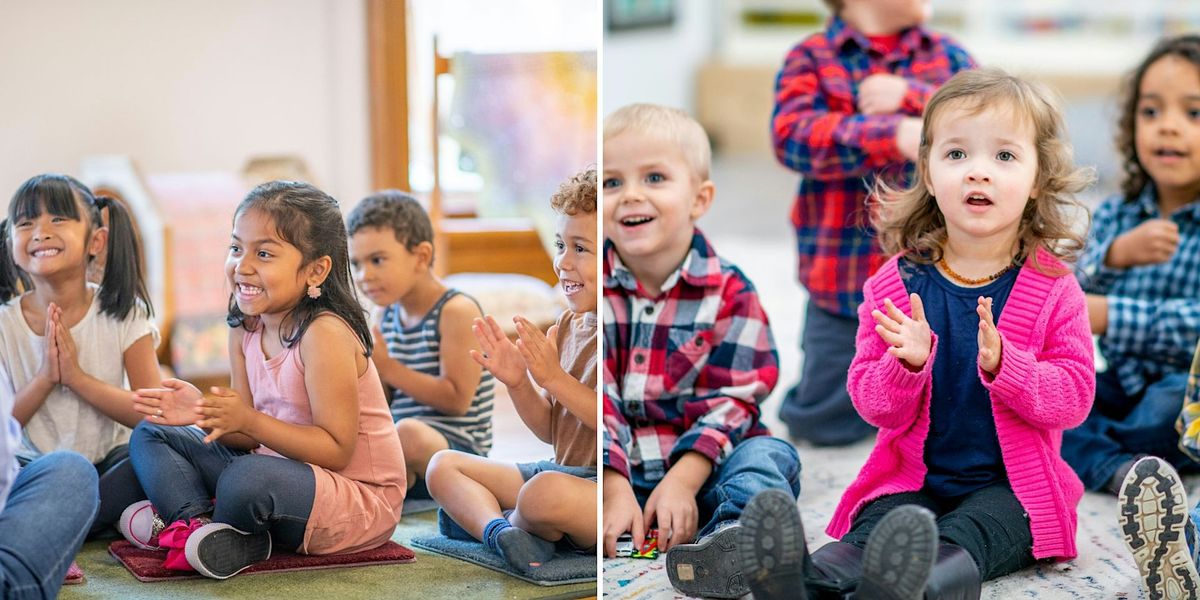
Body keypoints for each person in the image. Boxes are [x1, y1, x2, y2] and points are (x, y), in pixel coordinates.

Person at [743, 69, 1096, 599]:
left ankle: (917, 587)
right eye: (957, 155)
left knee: (973, 530)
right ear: (928, 172)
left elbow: (1073, 399)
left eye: (1004, 156)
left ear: (1038, 179)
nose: (978, 172)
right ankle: (806, 581)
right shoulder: (893, 282)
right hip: (917, 476)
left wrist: (1009, 367)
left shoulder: (1053, 288)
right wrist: (903, 366)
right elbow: (873, 407)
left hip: (1013, 488)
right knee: (882, 524)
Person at [117, 181, 406, 579]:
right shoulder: (246, 326)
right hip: (278, 471)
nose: (243, 265)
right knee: (151, 431)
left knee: (245, 478)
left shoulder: (325, 334)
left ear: (316, 269)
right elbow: (246, 437)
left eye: (264, 253)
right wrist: (202, 412)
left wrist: (246, 420)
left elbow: (336, 450)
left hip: (355, 497)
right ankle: (197, 528)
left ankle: (199, 522)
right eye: (236, 248)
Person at [601, 103, 801, 599]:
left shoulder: (731, 291)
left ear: (699, 198)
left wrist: (684, 481)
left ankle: (734, 539)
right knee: (552, 490)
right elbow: (592, 399)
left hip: (710, 466)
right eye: (611, 182)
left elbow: (736, 398)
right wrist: (611, 484)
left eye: (654, 177)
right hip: (617, 470)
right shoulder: (593, 293)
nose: (630, 195)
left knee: (769, 457)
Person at [772, 0, 975, 446]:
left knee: (954, 405)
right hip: (840, 282)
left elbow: (985, 116)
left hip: (937, 276)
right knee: (822, 420)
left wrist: (911, 99)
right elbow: (791, 137)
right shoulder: (811, 56)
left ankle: (913, 410)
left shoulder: (949, 57)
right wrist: (889, 134)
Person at [426, 168, 598, 575]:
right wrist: (519, 382)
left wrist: (554, 377)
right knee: (442, 466)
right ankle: (501, 532)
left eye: (580, 248)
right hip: (558, 471)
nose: (562, 262)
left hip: (606, 489)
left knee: (542, 494)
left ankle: (508, 519)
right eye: (560, 244)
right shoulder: (570, 326)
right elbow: (551, 431)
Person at [1065, 34, 1200, 496]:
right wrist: (1115, 255)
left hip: (1185, 391)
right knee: (1047, 399)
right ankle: (1125, 470)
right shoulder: (1117, 212)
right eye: (1150, 111)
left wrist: (1110, 314)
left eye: (1193, 113)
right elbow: (1064, 297)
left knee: (1167, 409)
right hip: (1120, 381)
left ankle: (1101, 456)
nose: (1168, 127)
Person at [0, 173, 158, 538]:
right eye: (26, 222)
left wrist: (77, 378)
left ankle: (60, 525)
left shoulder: (124, 312)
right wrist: (46, 378)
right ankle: (111, 521)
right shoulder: (5, 324)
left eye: (57, 218)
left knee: (161, 451)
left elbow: (154, 414)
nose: (40, 231)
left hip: (112, 464)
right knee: (52, 476)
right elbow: (4, 429)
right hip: (34, 469)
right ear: (10, 242)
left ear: (96, 240)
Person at [346, 191, 494, 498]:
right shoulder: (385, 314)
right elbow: (385, 402)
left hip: (457, 451)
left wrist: (388, 367)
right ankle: (387, 488)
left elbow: (457, 399)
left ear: (422, 256)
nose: (364, 275)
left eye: (377, 260)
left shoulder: (456, 310)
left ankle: (379, 489)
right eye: (356, 263)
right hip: (400, 442)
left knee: (408, 434)